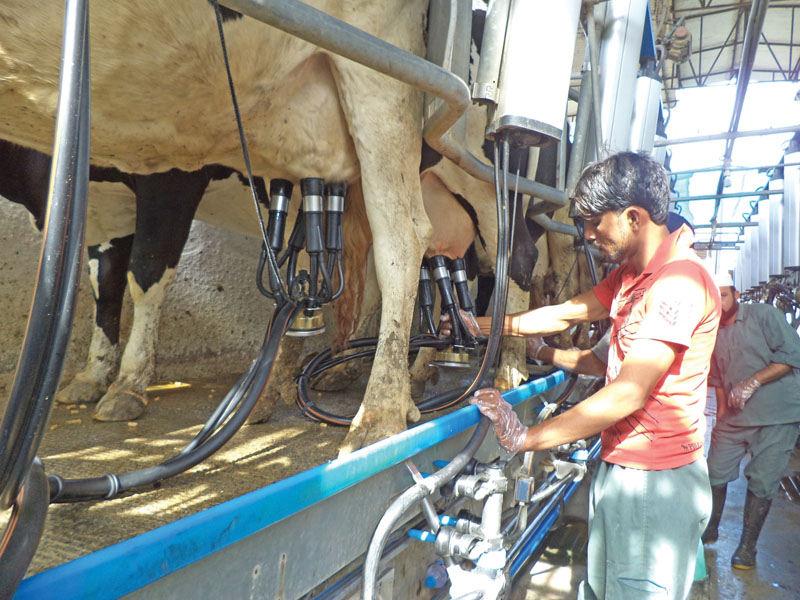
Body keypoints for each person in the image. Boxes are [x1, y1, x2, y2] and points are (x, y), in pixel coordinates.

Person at [443, 152, 720, 600]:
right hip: (621, 464)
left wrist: (527, 437)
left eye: (595, 222)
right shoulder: (633, 276)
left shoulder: (678, 282)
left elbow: (628, 393)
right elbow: (564, 313)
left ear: (633, 217)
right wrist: (484, 324)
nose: (587, 235)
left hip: (656, 482)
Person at [702, 272, 800, 570]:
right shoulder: (711, 331)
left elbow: (792, 354)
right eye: (713, 296)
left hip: (777, 415)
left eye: (724, 295)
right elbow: (718, 381)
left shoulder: (763, 315)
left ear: (736, 293)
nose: (719, 302)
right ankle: (711, 527)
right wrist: (719, 421)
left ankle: (747, 547)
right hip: (735, 417)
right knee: (715, 472)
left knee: (762, 479)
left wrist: (753, 382)